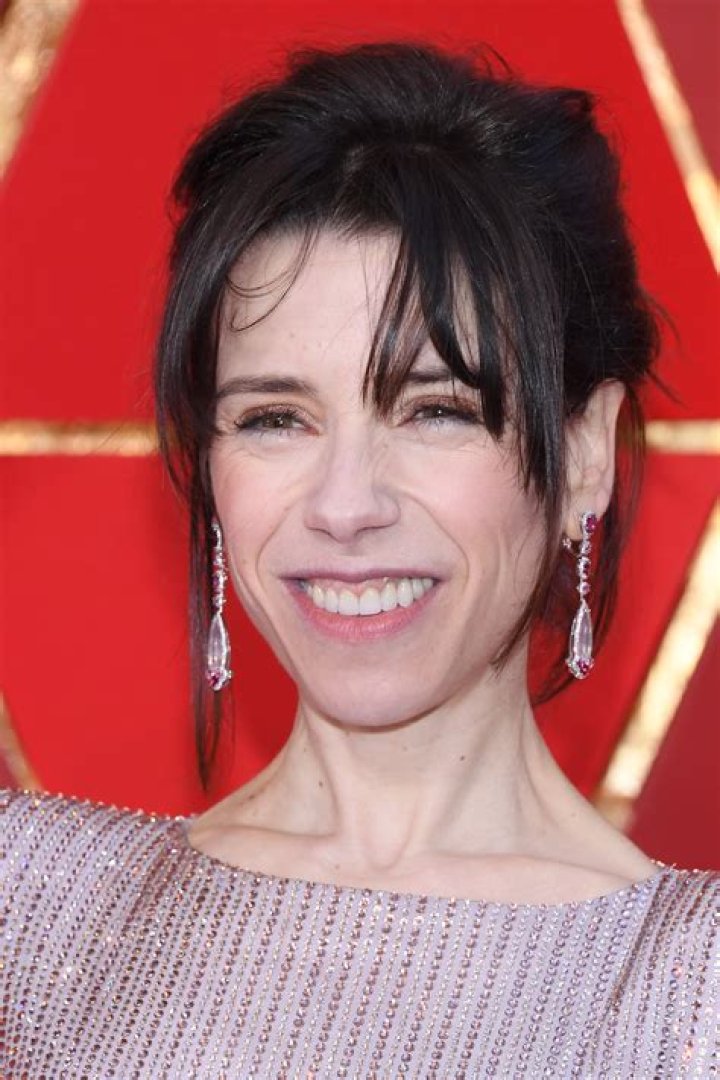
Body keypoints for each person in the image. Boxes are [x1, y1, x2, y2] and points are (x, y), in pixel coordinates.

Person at [2, 42, 717, 1079]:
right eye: (275, 418)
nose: (345, 507)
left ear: (585, 456)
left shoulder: (690, 997)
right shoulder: (33, 919)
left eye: (435, 410)